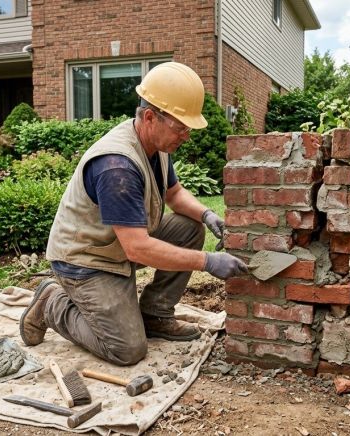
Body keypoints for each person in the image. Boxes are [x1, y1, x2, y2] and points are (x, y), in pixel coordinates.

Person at [19, 61, 248, 366]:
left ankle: (155, 315)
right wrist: (208, 262)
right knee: (126, 349)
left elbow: (174, 195)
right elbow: (137, 247)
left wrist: (207, 215)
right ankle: (51, 303)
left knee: (189, 227)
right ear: (151, 117)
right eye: (181, 127)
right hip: (87, 260)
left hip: (118, 244)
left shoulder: (156, 145)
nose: (187, 136)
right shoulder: (117, 167)